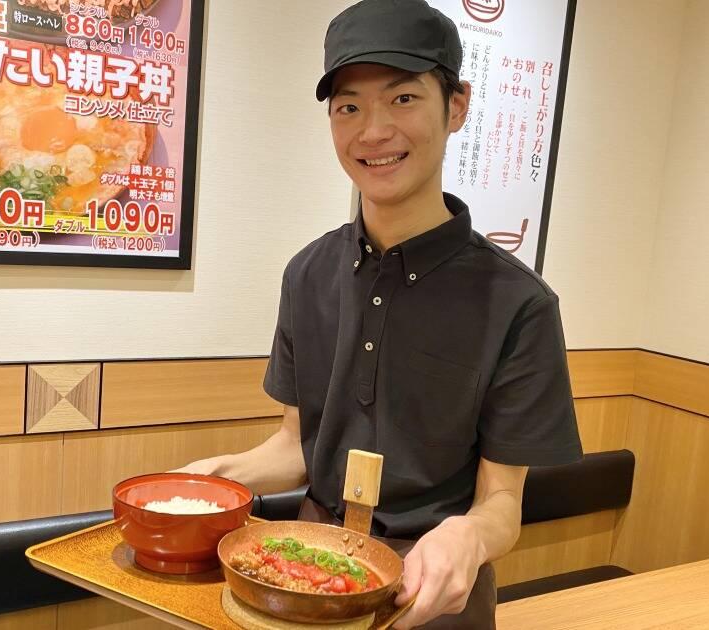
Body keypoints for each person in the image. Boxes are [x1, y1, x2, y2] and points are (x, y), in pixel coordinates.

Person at [178, 0, 583, 627]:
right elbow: (298, 447)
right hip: (304, 586)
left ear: (455, 106)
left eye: (402, 99)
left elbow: (501, 503)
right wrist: (216, 480)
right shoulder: (307, 273)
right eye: (349, 106)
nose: (372, 131)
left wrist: (466, 540)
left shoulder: (519, 304)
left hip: (433, 594)